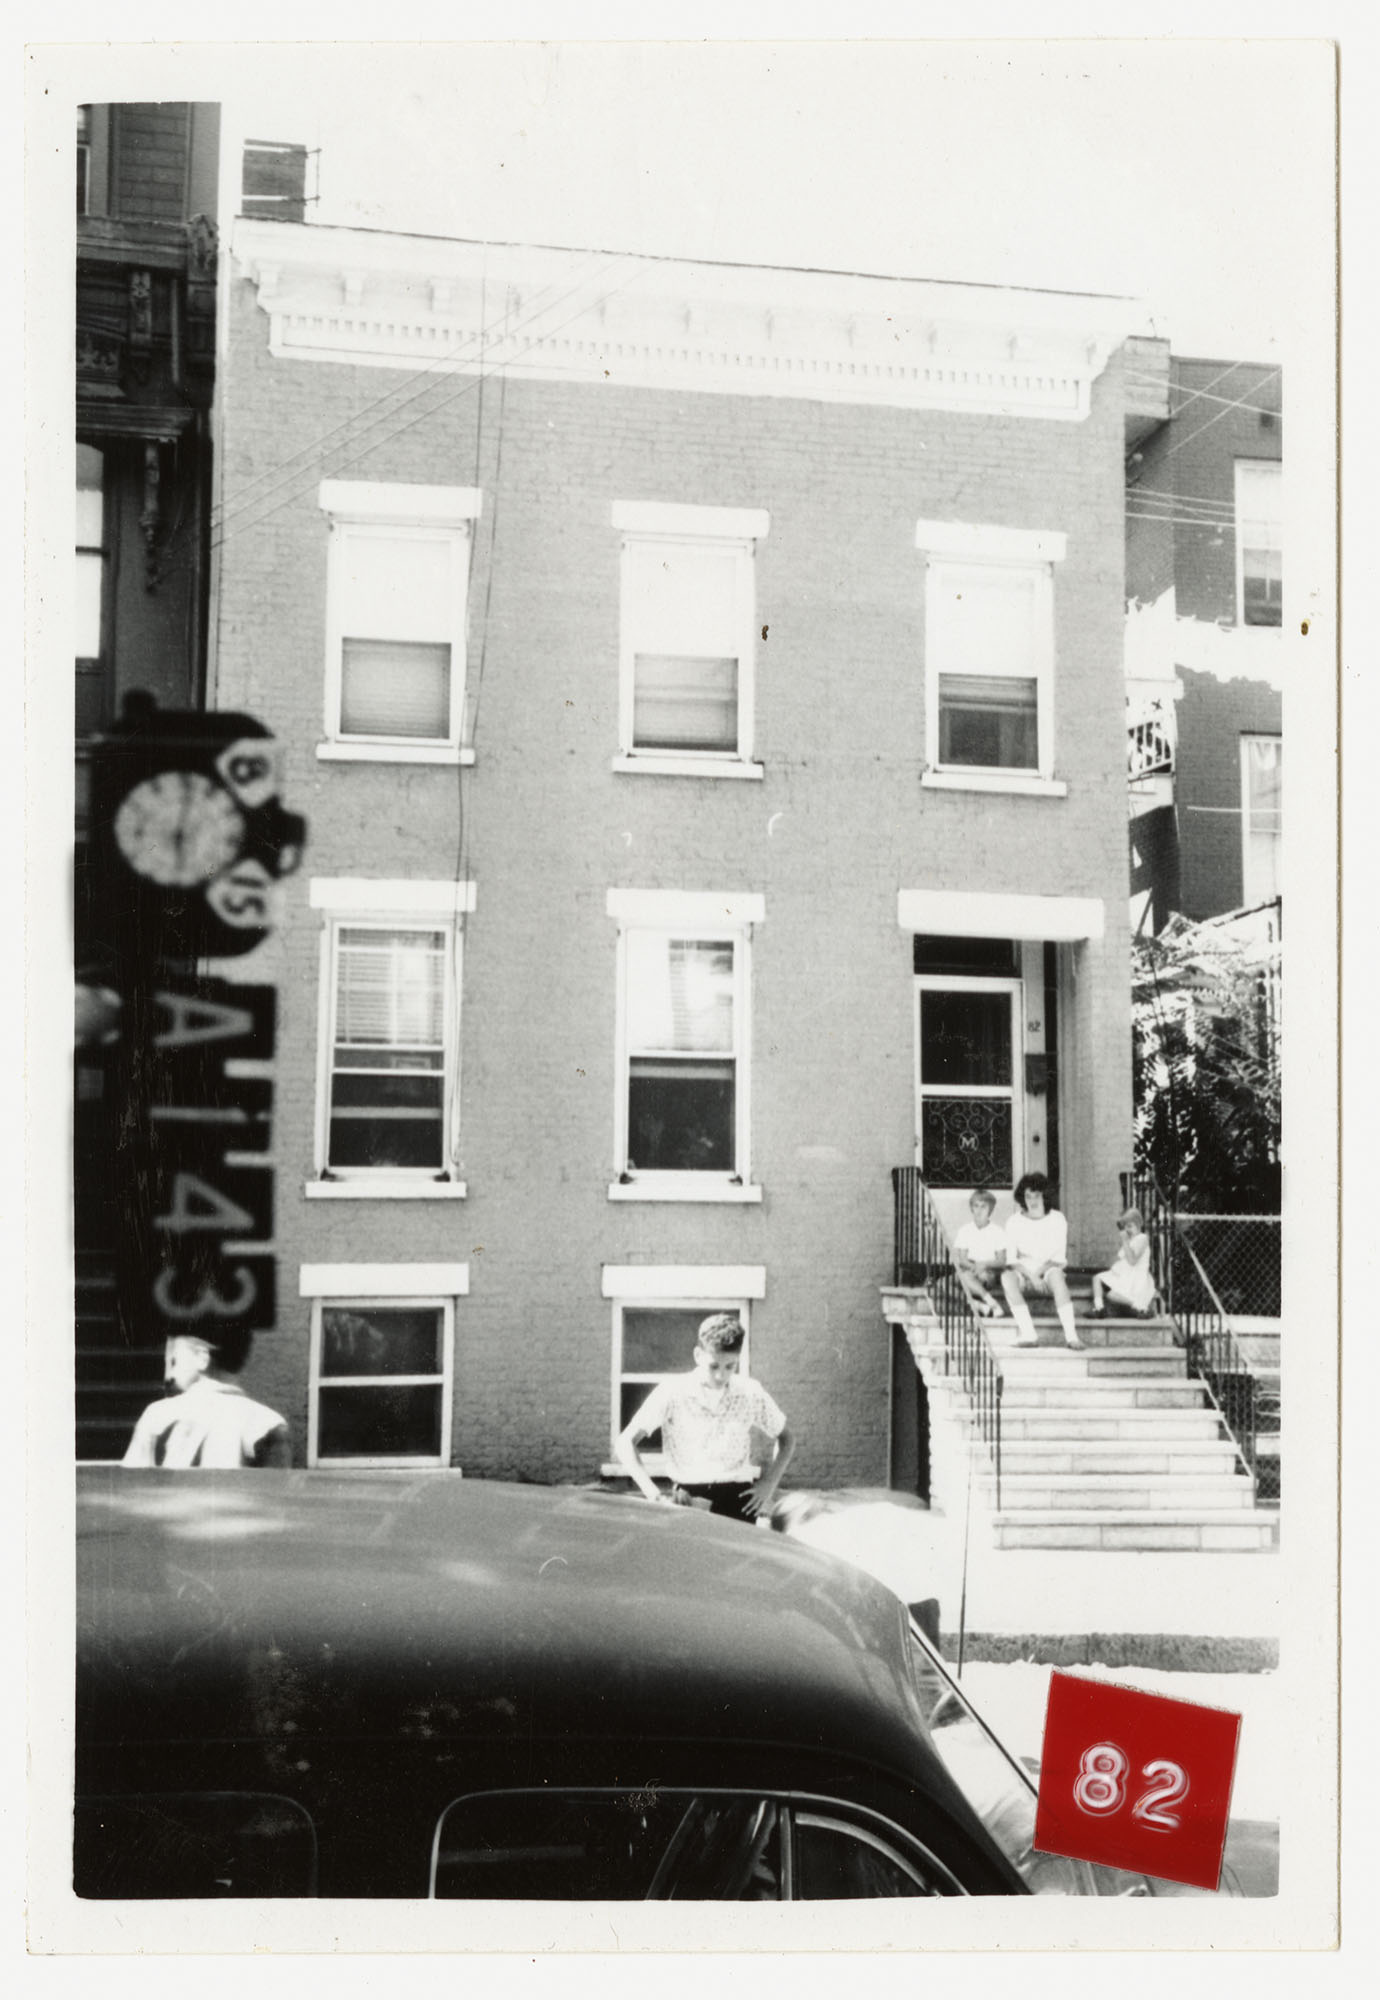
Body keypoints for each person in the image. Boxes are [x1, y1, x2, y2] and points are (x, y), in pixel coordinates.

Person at [615, 1313, 796, 1524]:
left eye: (730, 1366)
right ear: (698, 1355)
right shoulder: (672, 1392)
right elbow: (625, 1443)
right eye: (714, 1366)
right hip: (688, 1498)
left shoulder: (750, 1392)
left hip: (738, 1499)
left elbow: (787, 1439)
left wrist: (768, 1485)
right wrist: (654, 1495)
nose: (721, 1375)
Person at [122, 1331, 292, 1469]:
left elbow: (131, 1489)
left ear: (202, 1358)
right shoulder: (269, 1424)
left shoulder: (157, 1415)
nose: (169, 1375)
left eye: (174, 1361)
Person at [1000, 1172, 1083, 1350]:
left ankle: (1071, 1336)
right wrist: (1031, 1276)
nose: (1032, 1201)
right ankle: (1028, 1334)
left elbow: (1058, 1258)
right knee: (1006, 1278)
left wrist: (1038, 1274)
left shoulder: (1057, 1219)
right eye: (1028, 1196)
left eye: (1036, 1195)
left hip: (1048, 1268)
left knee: (1058, 1278)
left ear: (1045, 1195)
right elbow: (1011, 1259)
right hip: (1023, 1270)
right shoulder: (1014, 1221)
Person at [1089, 1208, 1158, 1318]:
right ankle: (1099, 1308)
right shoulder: (1130, 1240)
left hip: (1135, 1277)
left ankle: (1140, 1306)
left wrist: (1125, 1241)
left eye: (1130, 1226)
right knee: (1097, 1278)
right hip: (1125, 1275)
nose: (1127, 1230)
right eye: (1124, 1227)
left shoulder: (1142, 1239)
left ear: (1139, 1225)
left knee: (1112, 1295)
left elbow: (1132, 1261)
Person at [952, 1187, 1007, 1318]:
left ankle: (987, 1303)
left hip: (988, 1272)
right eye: (976, 1206)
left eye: (983, 1206)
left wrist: (984, 1265)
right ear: (971, 1208)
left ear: (990, 1209)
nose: (979, 1210)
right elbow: (962, 1260)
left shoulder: (998, 1231)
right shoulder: (965, 1230)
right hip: (969, 1269)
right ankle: (985, 1305)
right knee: (940, 1285)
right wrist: (974, 1267)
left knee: (963, 1277)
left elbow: (1001, 1261)